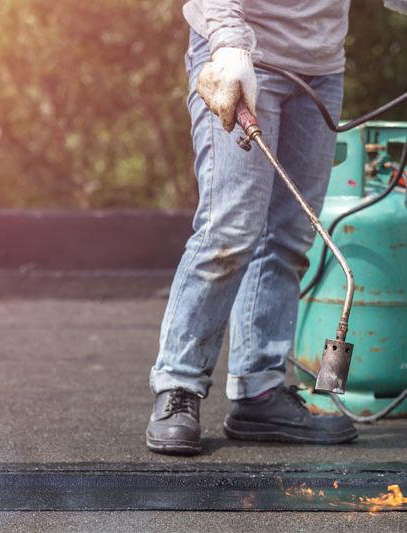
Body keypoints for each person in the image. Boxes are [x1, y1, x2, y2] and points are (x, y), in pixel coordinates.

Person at [145, 0, 361, 455]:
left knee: (290, 236)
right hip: (239, 56)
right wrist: (228, 44)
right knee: (229, 229)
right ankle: (178, 385)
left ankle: (258, 391)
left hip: (321, 67)